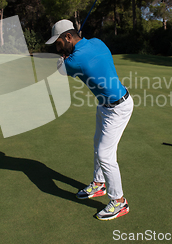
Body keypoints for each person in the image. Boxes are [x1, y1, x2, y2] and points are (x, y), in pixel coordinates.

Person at [46, 19, 133, 221]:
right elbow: (86, 48)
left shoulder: (75, 61)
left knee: (105, 154)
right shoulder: (97, 42)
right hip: (105, 105)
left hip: (118, 108)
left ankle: (119, 202)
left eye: (58, 43)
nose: (56, 48)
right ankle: (99, 184)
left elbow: (61, 68)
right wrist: (75, 47)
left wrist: (64, 57)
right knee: (97, 145)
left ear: (68, 37)